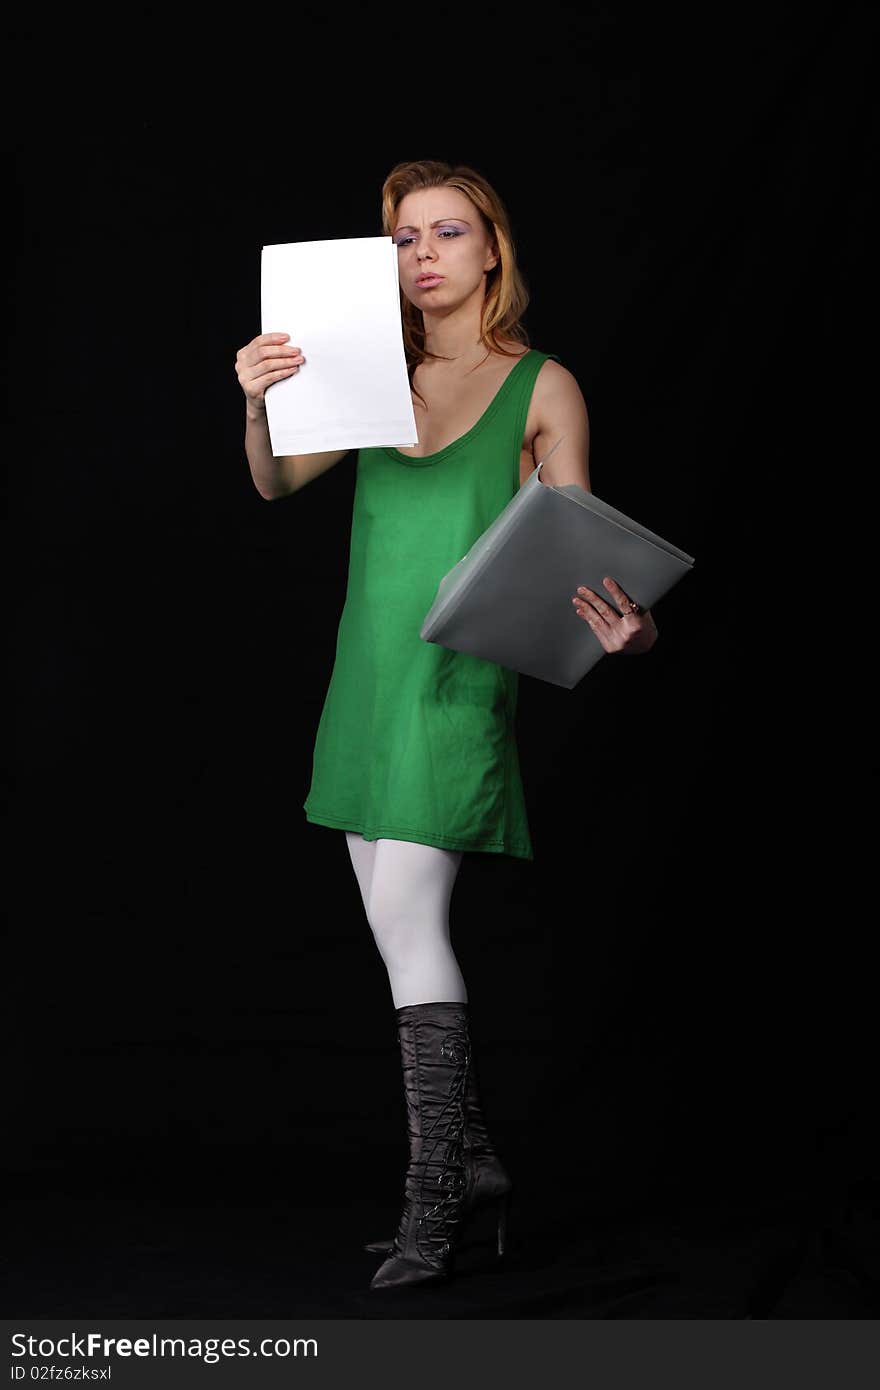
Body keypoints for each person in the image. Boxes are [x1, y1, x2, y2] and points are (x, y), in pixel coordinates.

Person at [234, 159, 658, 1291]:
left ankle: (435, 1199)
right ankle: (470, 1166)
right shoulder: (375, 375)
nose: (423, 254)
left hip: (460, 685)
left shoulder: (543, 386)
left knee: (408, 921)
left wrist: (633, 633)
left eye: (446, 232)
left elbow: (585, 564)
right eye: (405, 237)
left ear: (490, 252)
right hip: (365, 683)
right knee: (393, 933)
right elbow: (278, 484)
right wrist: (258, 399)